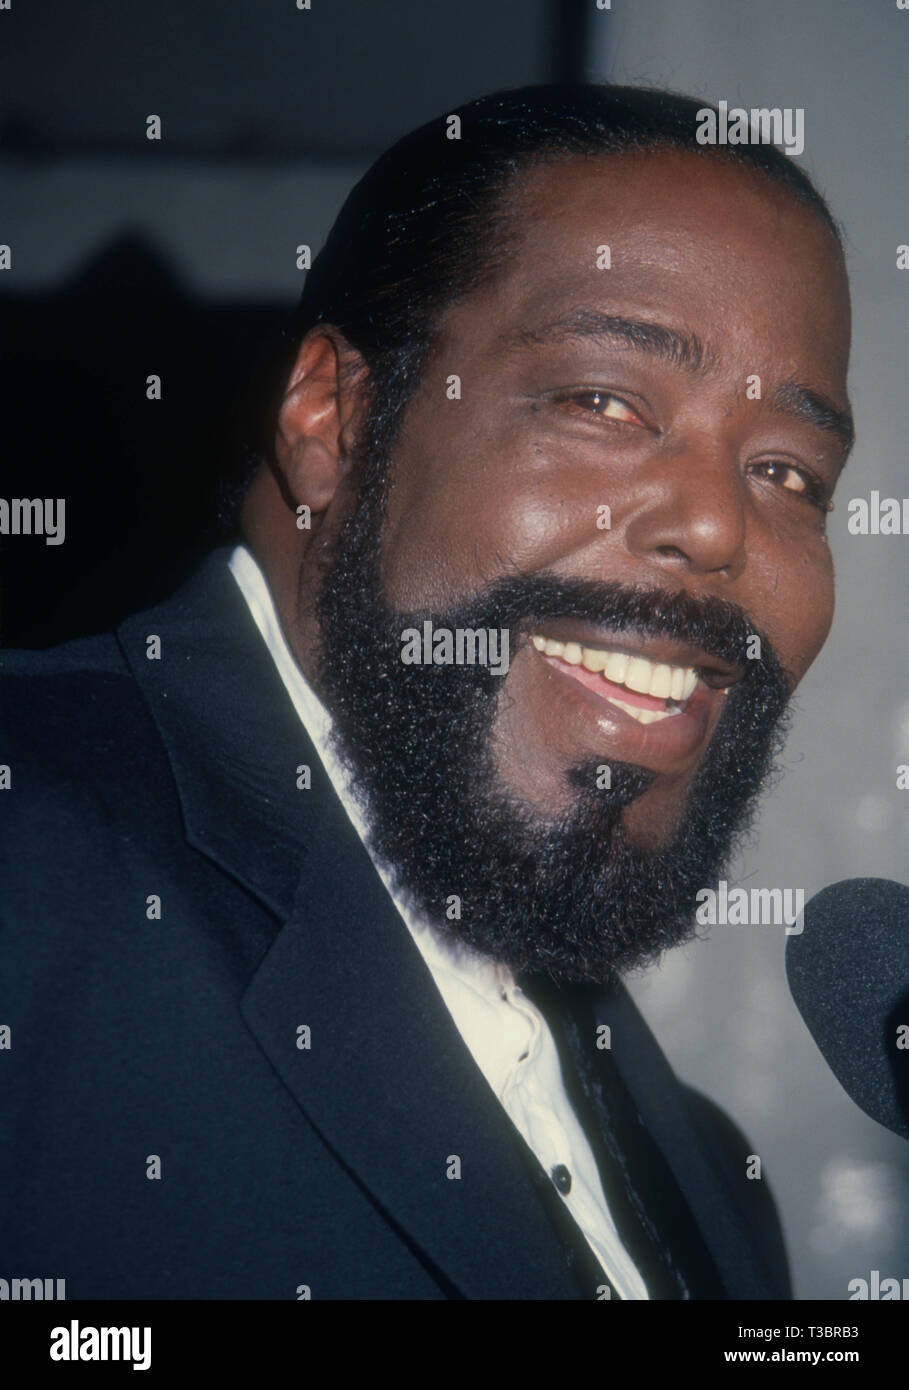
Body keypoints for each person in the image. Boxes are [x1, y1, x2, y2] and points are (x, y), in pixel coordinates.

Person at [0, 83, 853, 1300]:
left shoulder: (708, 1188)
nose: (719, 527)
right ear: (334, 420)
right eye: (604, 401)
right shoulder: (28, 863)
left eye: (790, 471)